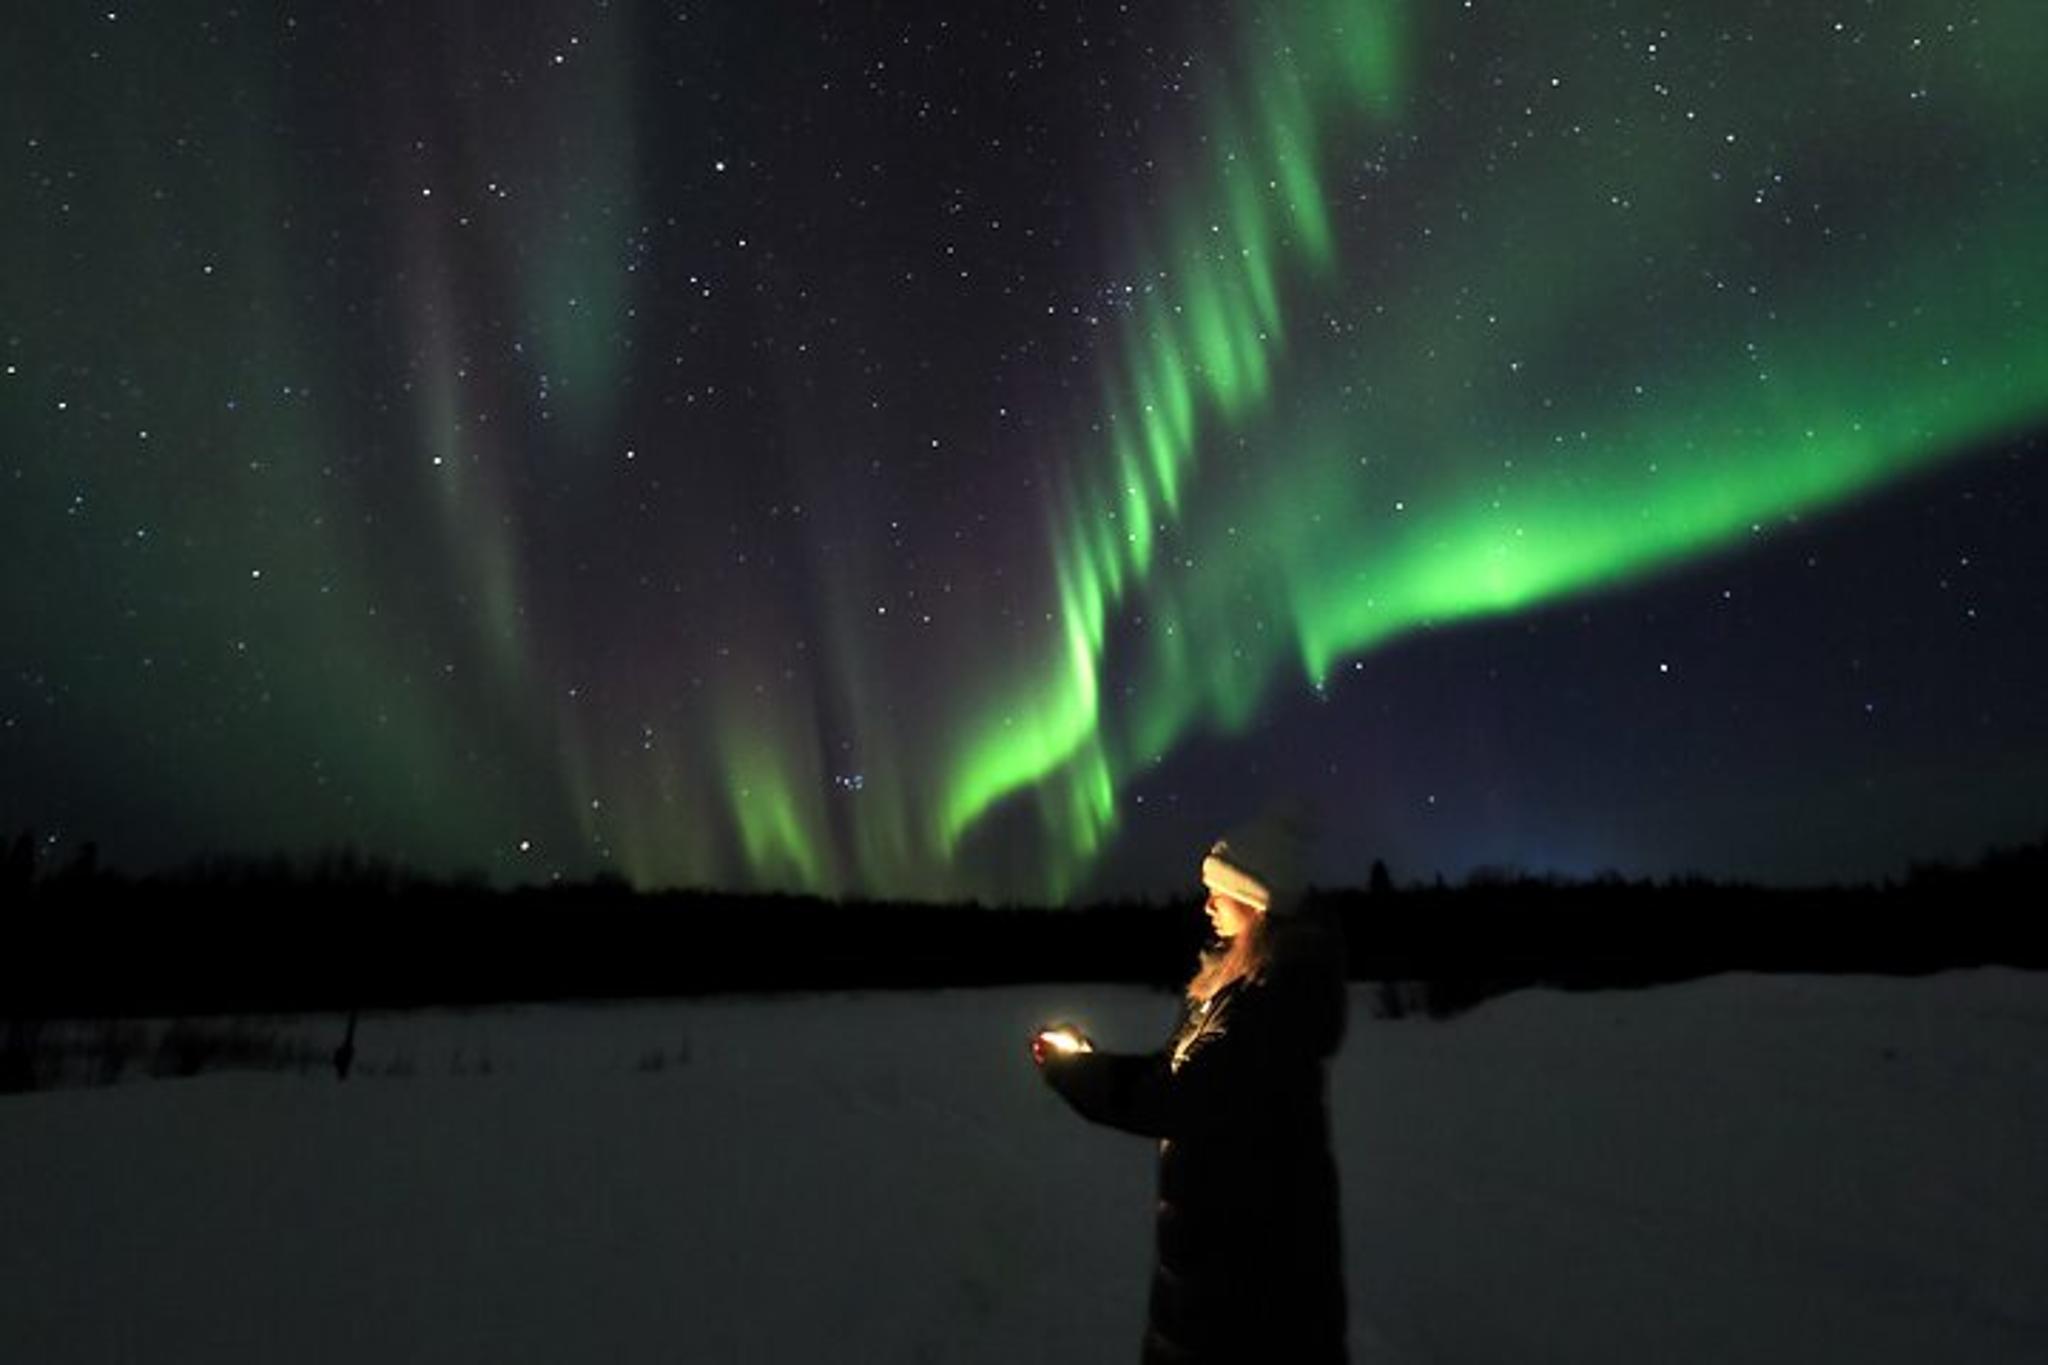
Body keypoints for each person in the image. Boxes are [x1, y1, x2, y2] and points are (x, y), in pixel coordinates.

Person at [1032, 831, 1349, 1363]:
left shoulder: (1270, 1004)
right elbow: (1172, 1074)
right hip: (1226, 1271)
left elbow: (1177, 1100)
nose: (1206, 905)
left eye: (1217, 894)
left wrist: (1075, 1073)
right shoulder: (1238, 991)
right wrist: (1087, 1061)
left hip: (1250, 1291)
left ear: (1254, 905)